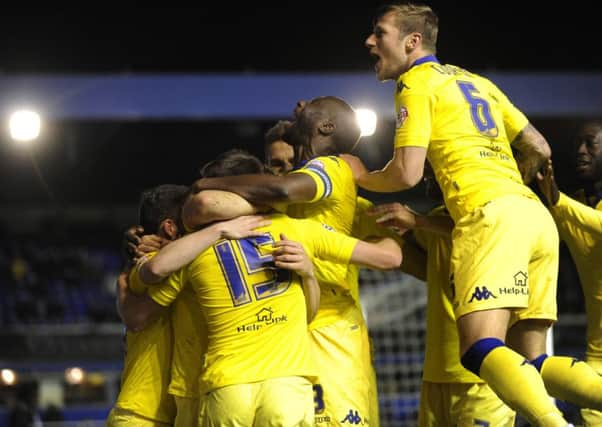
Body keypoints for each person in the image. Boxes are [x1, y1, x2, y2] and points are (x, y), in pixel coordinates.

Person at [356, 3, 602, 425]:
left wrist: (357, 174)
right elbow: (539, 147)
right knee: (533, 360)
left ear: (412, 42)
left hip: (490, 218)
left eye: (380, 33)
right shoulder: (476, 81)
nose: (370, 42)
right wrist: (511, 186)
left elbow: (406, 172)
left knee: (478, 348)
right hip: (533, 216)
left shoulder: (415, 83)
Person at [190, 96, 399, 426]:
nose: (281, 174)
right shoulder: (279, 211)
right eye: (275, 167)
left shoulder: (327, 174)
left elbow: (391, 254)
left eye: (289, 166)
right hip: (286, 331)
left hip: (331, 324)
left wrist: (207, 183)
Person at [372, 162, 516, 426]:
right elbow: (428, 269)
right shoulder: (435, 220)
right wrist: (379, 242)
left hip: (484, 375)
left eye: (434, 169)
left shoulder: (494, 212)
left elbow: (475, 228)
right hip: (437, 372)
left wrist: (418, 221)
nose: (427, 175)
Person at [536, 119, 602, 426]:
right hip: (597, 354)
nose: (580, 150)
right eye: (577, 143)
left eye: (591, 143)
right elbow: (549, 231)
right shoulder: (574, 205)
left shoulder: (570, 206)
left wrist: (559, 202)